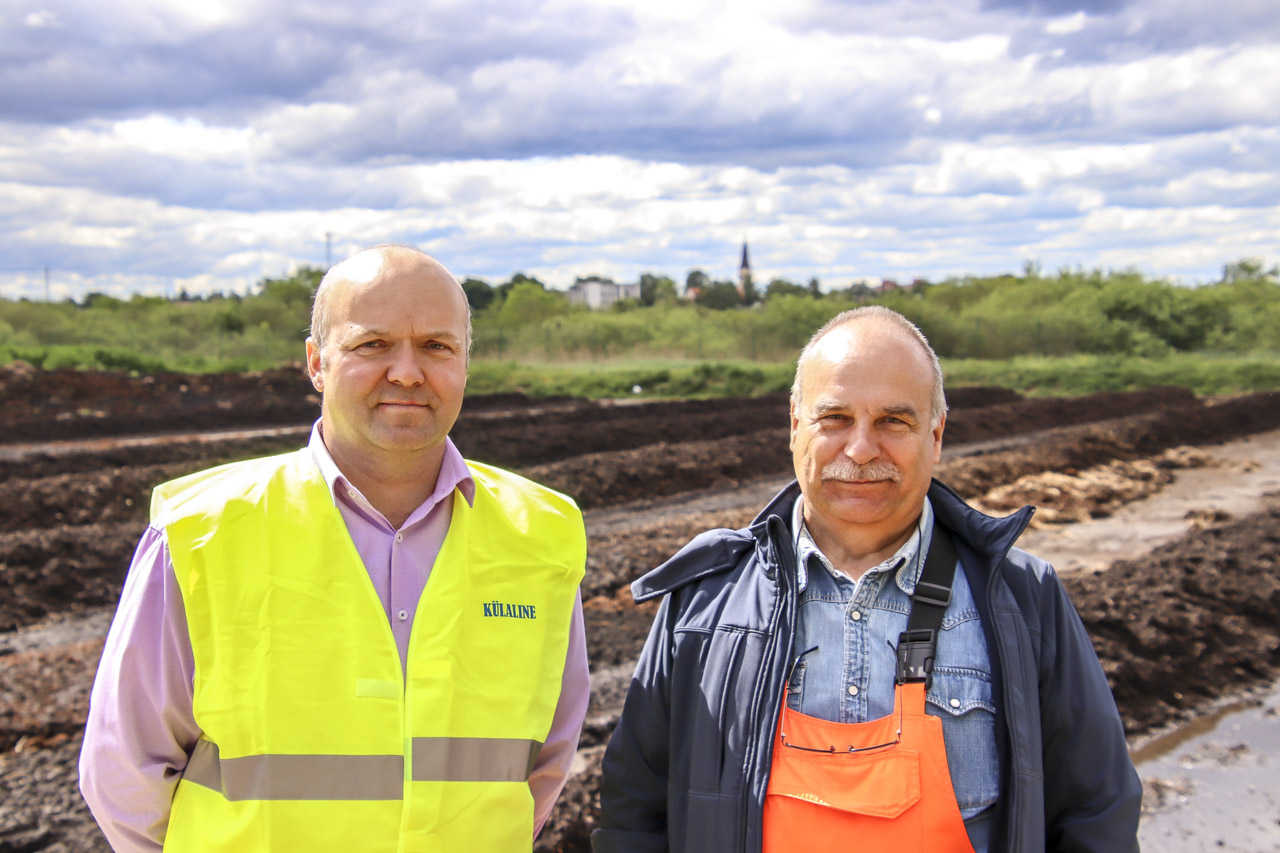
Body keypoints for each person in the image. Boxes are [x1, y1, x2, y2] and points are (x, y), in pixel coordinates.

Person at [80, 245, 589, 852]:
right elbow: (123, 775)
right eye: (372, 345)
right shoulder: (202, 534)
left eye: (436, 346)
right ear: (317, 364)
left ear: (465, 364)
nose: (406, 372)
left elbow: (544, 760)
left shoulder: (539, 534)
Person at [593, 306, 1140, 853]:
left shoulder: (1020, 598)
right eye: (834, 418)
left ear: (936, 434)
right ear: (794, 426)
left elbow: (1097, 814)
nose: (860, 450)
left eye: (893, 421)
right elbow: (633, 814)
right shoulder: (704, 603)